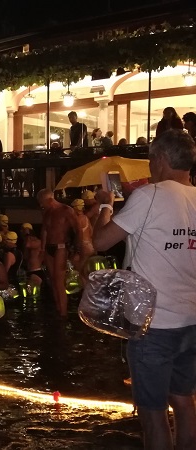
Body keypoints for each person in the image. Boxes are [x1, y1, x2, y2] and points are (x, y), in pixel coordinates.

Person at [92, 129, 196, 450]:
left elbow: (100, 242)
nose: (150, 165)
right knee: (184, 403)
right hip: (192, 321)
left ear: (161, 159)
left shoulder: (148, 196)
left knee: (153, 415)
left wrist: (105, 205)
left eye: (151, 159)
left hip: (154, 326)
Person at [37, 188, 80, 317]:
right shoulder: (46, 212)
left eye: (42, 202)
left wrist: (76, 250)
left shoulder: (66, 210)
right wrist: (42, 249)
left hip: (61, 247)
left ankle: (63, 313)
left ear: (49, 200)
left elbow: (77, 230)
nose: (41, 205)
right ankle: (58, 308)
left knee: (59, 281)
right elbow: (44, 230)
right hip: (49, 247)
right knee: (52, 280)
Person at [70, 198, 95, 283]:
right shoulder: (86, 218)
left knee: (80, 271)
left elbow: (77, 235)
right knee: (87, 270)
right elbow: (91, 232)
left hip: (82, 246)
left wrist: (76, 250)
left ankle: (85, 287)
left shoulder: (76, 220)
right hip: (90, 245)